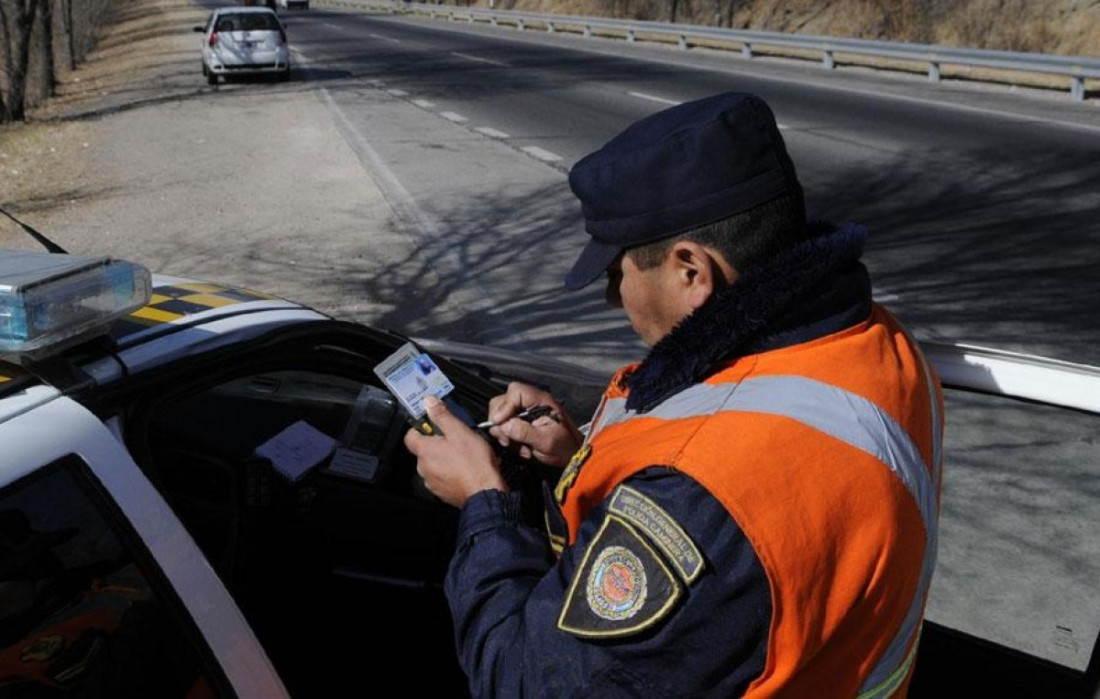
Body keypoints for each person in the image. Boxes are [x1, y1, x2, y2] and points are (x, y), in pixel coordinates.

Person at [405, 91, 944, 697]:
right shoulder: (878, 344)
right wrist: (576, 456)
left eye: (618, 274)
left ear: (692, 271)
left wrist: (485, 505)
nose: (614, 300)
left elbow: (520, 682)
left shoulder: (700, 502)